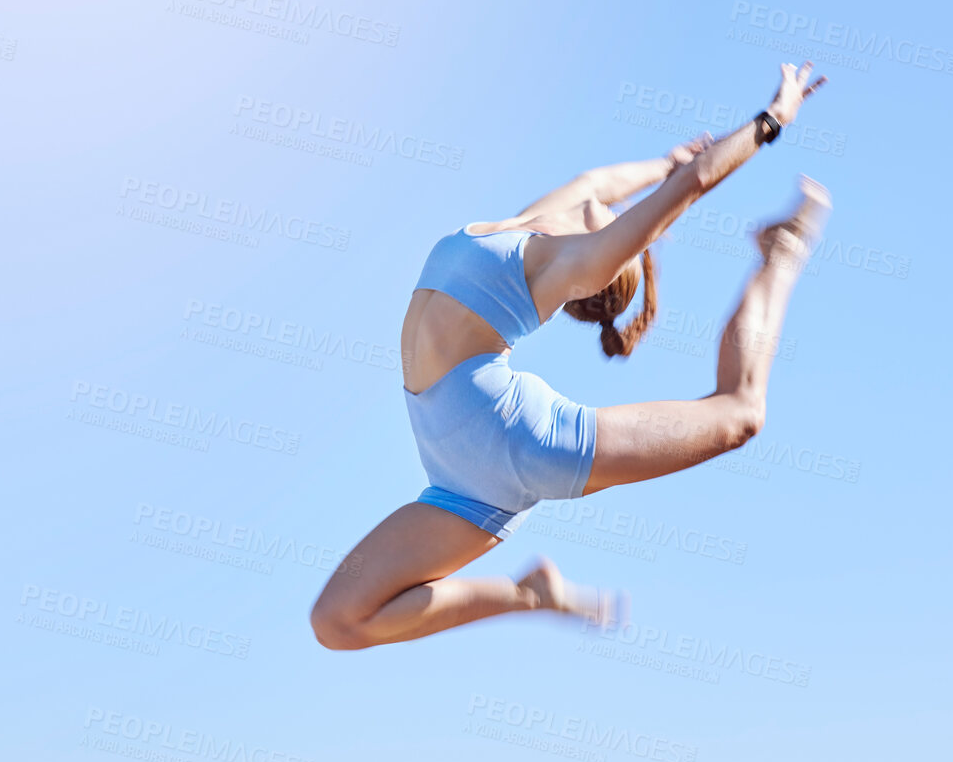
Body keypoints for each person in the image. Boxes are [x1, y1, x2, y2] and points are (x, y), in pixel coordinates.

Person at [310, 62, 830, 649]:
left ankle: (781, 254)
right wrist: (666, 162)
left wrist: (771, 120)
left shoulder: (570, 264)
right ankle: (528, 595)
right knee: (338, 622)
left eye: (630, 241)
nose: (624, 223)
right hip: (460, 486)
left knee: (742, 414)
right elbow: (599, 182)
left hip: (524, 443)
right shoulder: (524, 228)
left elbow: (688, 189)